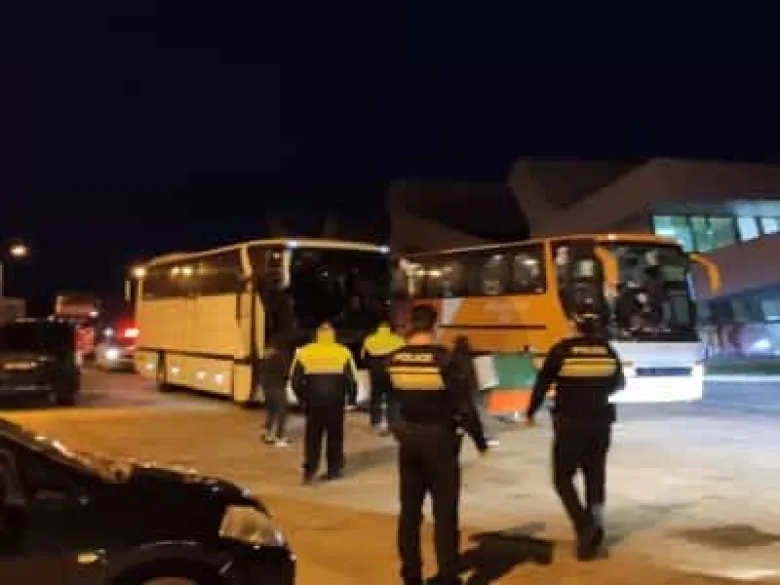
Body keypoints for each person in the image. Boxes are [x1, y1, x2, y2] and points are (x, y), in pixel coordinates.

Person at [387, 304, 488, 585]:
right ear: (435, 326)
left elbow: (388, 401)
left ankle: (411, 576)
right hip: (440, 441)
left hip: (409, 442)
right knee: (444, 513)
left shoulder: (395, 358)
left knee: (409, 513)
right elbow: (464, 406)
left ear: (411, 324)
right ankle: (447, 575)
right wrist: (480, 440)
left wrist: (398, 430)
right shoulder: (445, 359)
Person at [525, 301, 625, 561]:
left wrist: (530, 411)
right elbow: (619, 384)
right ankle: (595, 531)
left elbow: (542, 383)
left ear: (574, 324)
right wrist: (596, 392)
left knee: (562, 478)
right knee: (595, 475)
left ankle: (584, 525)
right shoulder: (607, 350)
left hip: (570, 423)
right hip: (600, 422)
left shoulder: (562, 350)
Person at [289, 322, 358, 485]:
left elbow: (295, 380)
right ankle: (334, 470)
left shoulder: (304, 352)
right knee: (335, 436)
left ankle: (310, 471)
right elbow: (352, 379)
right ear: (333, 335)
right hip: (336, 401)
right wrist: (351, 399)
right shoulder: (343, 352)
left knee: (313, 437)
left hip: (313, 402)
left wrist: (302, 398)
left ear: (317, 335)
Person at [451, 335, 499, 447]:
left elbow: (465, 370)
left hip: (477, 383)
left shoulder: (462, 352)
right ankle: (486, 434)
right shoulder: (485, 347)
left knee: (479, 409)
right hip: (487, 381)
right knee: (482, 408)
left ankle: (489, 436)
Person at [361, 321, 405, 432]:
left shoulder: (369, 340)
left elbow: (363, 357)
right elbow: (403, 356)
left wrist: (371, 365)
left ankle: (375, 421)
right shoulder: (398, 340)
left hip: (376, 372)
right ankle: (393, 421)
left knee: (376, 396)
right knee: (393, 397)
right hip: (392, 372)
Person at [261, 343, 292, 447]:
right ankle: (279, 437)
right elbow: (285, 373)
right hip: (277, 387)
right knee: (282, 412)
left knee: (271, 411)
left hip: (267, 387)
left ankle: (268, 434)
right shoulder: (280, 358)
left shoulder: (266, 359)